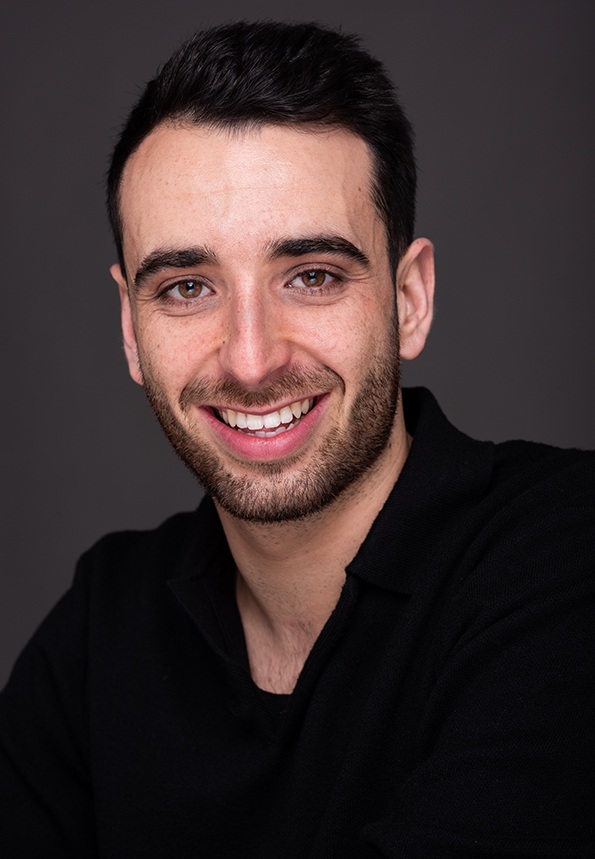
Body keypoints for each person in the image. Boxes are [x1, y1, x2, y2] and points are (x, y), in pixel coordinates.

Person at [1, 20, 593, 858]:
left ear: (409, 300)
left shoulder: (567, 556)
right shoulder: (106, 623)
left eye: (312, 276)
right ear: (131, 329)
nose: (251, 360)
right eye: (186, 287)